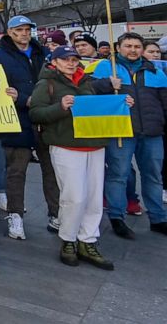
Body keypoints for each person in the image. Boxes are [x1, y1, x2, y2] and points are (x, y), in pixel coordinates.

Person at [29, 46, 121, 270]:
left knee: (93, 198)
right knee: (74, 197)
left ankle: (88, 240)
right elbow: (36, 113)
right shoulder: (46, 84)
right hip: (65, 145)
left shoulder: (87, 82)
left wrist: (121, 104)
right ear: (55, 62)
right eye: (65, 59)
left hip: (94, 145)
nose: (71, 63)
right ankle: (68, 239)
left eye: (74, 59)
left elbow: (100, 108)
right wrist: (60, 107)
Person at [91, 32, 167, 239]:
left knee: (153, 176)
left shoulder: (155, 71)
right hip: (121, 131)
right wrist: (107, 84)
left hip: (151, 132)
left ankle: (158, 218)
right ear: (119, 48)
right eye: (128, 46)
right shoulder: (107, 67)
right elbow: (87, 90)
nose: (133, 50)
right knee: (118, 175)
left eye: (136, 46)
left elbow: (165, 102)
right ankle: (117, 217)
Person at [0, 15, 56, 240]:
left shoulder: (43, 53)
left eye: (27, 29)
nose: (24, 34)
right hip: (16, 120)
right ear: (9, 32)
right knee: (16, 171)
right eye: (19, 30)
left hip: (45, 118)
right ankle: (15, 215)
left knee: (52, 169)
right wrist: (21, 100)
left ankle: (55, 214)